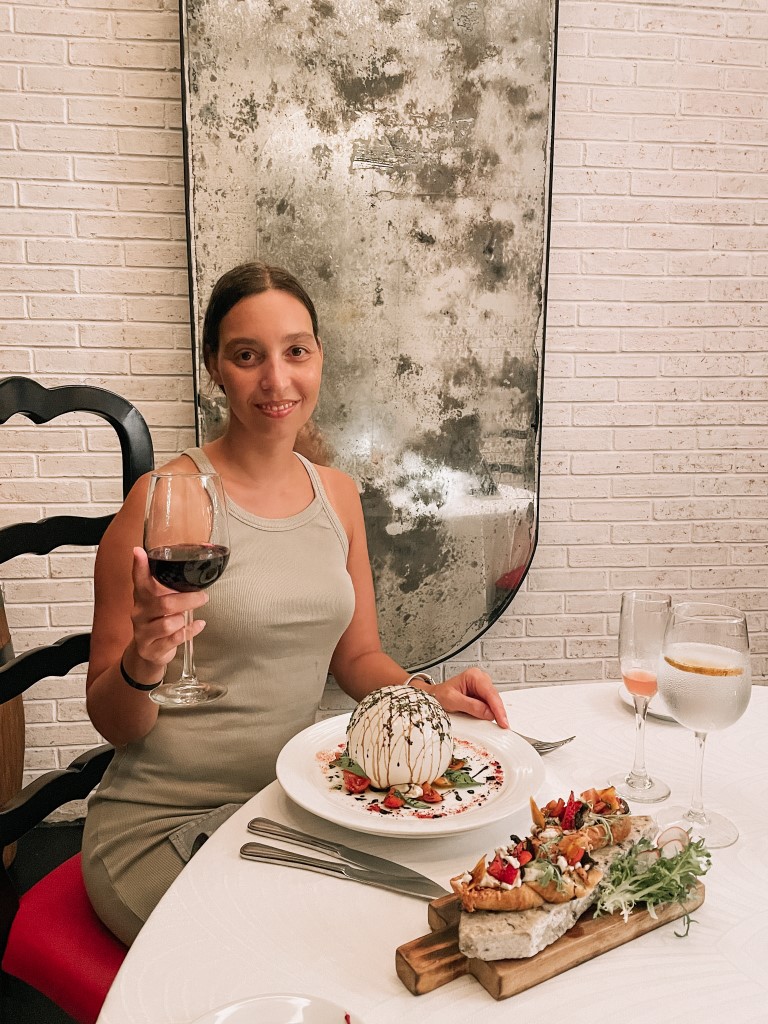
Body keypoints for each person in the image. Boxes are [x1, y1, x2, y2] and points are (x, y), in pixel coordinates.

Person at [81, 261, 509, 946]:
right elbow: (114, 723)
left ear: (319, 360)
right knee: (305, 956)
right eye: (247, 356)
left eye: (295, 352)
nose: (276, 381)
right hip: (162, 825)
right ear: (215, 368)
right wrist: (145, 658)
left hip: (293, 806)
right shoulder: (161, 504)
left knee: (422, 924)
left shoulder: (337, 494)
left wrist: (428, 694)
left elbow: (356, 656)